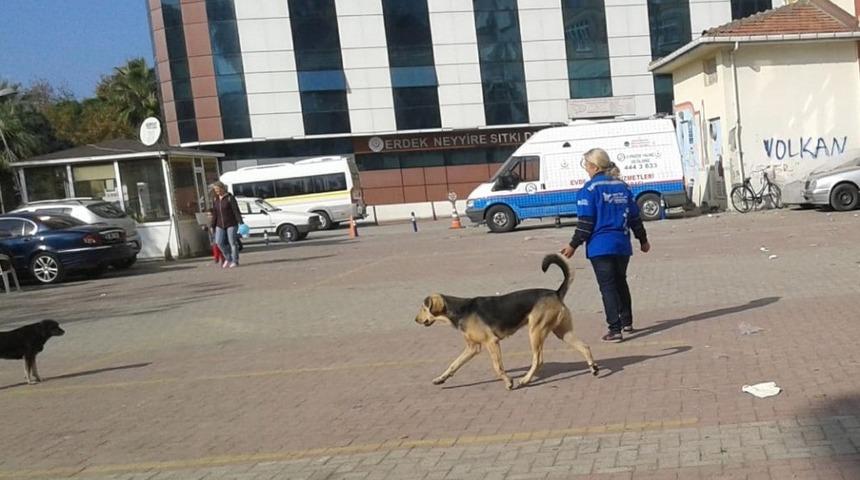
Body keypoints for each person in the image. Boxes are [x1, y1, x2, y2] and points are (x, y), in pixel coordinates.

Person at [560, 148, 651, 343]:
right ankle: (627, 322)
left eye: (586, 165)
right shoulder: (622, 187)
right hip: (622, 245)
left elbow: (586, 223)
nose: (585, 168)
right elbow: (635, 217)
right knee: (620, 282)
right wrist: (643, 240)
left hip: (600, 247)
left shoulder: (589, 190)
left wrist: (572, 245)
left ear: (594, 166)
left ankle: (614, 329)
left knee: (607, 287)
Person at [210, 181, 244, 268]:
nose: (217, 191)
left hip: (231, 223)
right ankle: (229, 259)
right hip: (219, 224)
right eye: (215, 190)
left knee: (232, 242)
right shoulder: (215, 199)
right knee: (219, 242)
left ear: (222, 188)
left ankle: (235, 261)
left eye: (217, 189)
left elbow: (236, 211)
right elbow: (215, 213)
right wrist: (212, 225)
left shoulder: (230, 198)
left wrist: (241, 223)